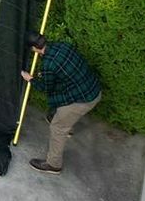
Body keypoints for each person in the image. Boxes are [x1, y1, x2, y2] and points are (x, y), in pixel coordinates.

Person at [21, 31, 104, 173]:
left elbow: (45, 88)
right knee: (59, 109)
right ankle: (66, 124)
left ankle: (53, 164)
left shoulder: (48, 64)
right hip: (93, 89)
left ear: (34, 48)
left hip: (83, 100)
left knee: (57, 128)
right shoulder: (63, 45)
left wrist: (30, 78)